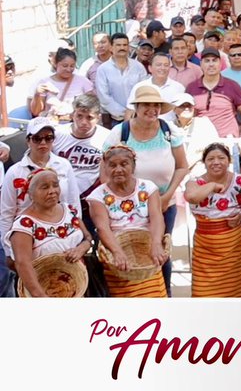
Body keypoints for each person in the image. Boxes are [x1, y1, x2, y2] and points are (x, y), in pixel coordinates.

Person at [104, 84, 189, 293]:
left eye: (156, 105)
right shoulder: (120, 132)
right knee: (130, 252)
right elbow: (105, 173)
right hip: (127, 208)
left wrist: (167, 196)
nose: (152, 109)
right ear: (137, 107)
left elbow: (182, 166)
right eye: (146, 105)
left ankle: (163, 296)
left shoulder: (169, 131)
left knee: (160, 252)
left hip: (163, 203)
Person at [86, 145, 168, 297]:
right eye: (112, 165)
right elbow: (103, 228)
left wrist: (156, 244)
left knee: (155, 299)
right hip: (116, 251)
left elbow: (157, 217)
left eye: (124, 164)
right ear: (105, 167)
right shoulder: (97, 196)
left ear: (133, 166)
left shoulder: (148, 188)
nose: (118, 169)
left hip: (147, 253)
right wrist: (118, 252)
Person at [5, 168, 90, 298]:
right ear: (30, 193)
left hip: (76, 285)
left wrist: (81, 249)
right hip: (45, 289)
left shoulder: (69, 210)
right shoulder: (24, 224)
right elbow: (22, 264)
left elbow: (88, 238)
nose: (52, 191)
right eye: (44, 187)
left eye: (55, 185)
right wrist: (41, 297)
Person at [183, 142, 241, 297]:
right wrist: (212, 185)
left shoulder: (240, 181)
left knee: (233, 289)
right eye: (211, 159)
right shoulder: (194, 182)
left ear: (229, 161)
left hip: (231, 243)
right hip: (204, 245)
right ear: (204, 163)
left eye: (221, 158)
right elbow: (192, 197)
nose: (216, 162)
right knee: (203, 290)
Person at [93, 33, 147, 128]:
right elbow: (104, 97)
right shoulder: (103, 69)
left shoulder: (138, 67)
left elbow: (143, 91)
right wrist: (125, 113)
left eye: (125, 45)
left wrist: (134, 112)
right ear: (111, 48)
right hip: (114, 120)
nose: (122, 48)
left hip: (138, 118)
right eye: (118, 45)